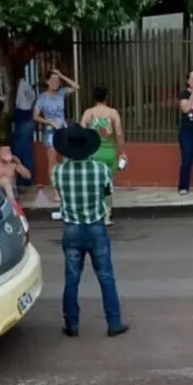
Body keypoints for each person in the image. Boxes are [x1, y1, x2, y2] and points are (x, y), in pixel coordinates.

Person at [51, 123, 128, 338]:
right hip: (96, 227)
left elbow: (58, 191)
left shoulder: (58, 172)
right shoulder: (101, 170)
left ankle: (71, 324)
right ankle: (114, 323)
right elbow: (107, 192)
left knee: (71, 279)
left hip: (72, 228)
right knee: (106, 277)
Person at [81, 86, 126, 226]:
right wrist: (121, 152)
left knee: (92, 184)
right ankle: (107, 216)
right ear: (106, 97)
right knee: (108, 185)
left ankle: (93, 214)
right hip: (109, 153)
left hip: (92, 154)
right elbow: (118, 134)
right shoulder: (112, 113)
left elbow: (81, 131)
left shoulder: (88, 113)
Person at [33, 68, 79, 202]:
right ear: (47, 81)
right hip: (50, 131)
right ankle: (56, 191)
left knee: (66, 159)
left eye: (57, 80)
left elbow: (76, 87)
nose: (56, 83)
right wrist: (49, 121)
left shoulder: (61, 93)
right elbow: (35, 116)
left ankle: (66, 187)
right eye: (53, 80)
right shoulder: (42, 97)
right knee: (52, 162)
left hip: (63, 130)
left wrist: (62, 74)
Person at [11, 72, 37, 189]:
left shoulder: (23, 85)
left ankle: (24, 182)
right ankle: (25, 181)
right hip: (23, 120)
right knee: (24, 153)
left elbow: (25, 101)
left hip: (23, 120)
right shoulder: (23, 85)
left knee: (21, 153)